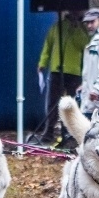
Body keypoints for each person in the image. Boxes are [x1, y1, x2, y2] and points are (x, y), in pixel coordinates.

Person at [37, 10, 88, 144]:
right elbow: (48, 45)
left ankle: (69, 133)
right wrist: (42, 62)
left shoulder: (83, 29)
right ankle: (49, 132)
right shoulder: (57, 26)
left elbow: (84, 45)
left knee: (71, 104)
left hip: (74, 72)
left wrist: (77, 28)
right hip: (57, 69)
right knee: (53, 102)